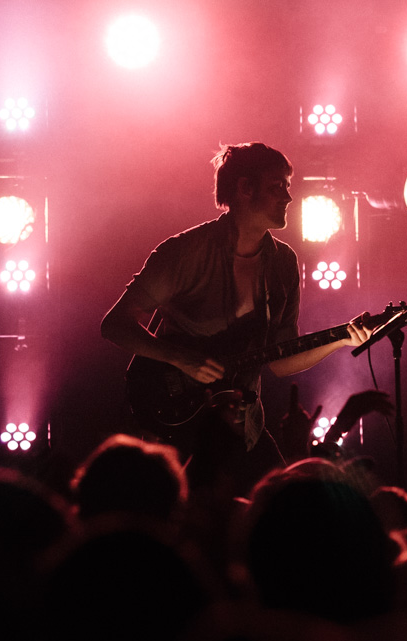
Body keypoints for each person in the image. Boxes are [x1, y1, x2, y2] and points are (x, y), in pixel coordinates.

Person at [101, 142, 371, 498]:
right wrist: (181, 358)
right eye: (278, 186)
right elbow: (115, 324)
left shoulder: (283, 263)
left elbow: (279, 361)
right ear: (245, 188)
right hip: (181, 424)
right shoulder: (184, 253)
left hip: (245, 425)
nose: (289, 198)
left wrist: (341, 339)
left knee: (286, 505)